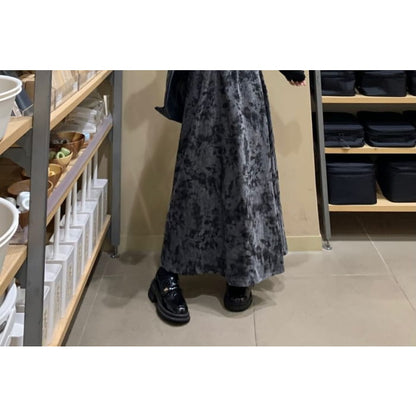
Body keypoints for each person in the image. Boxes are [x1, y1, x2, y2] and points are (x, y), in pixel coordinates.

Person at [148, 70, 306, 324]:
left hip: (246, 86)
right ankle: (167, 273)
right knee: (195, 179)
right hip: (204, 82)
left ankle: (239, 271)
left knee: (246, 178)